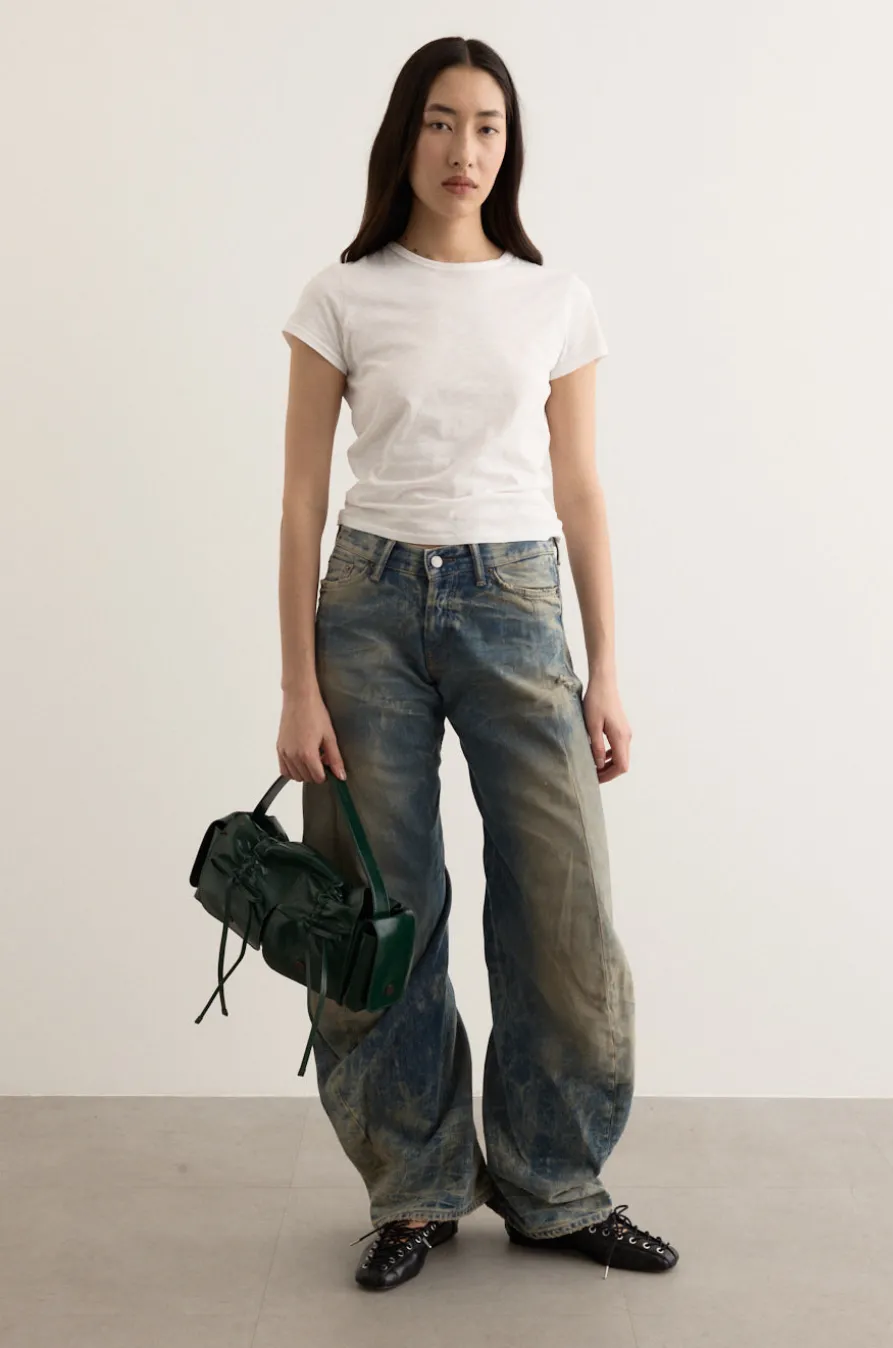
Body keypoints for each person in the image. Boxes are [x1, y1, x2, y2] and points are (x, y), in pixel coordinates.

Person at [276, 35, 680, 1293]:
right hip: (368, 610)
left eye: (489, 126)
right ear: (406, 135)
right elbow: (300, 501)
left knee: (562, 906)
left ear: (511, 146)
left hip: (515, 601)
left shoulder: (554, 299)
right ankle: (414, 1188)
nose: (466, 150)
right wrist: (296, 683)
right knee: (383, 916)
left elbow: (581, 489)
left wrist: (606, 669)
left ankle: (557, 1186)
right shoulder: (342, 295)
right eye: (443, 122)